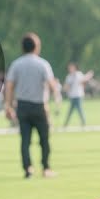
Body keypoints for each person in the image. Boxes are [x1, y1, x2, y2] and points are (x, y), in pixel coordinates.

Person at [4, 32, 61, 178]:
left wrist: (8, 106)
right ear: (36, 47)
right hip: (39, 106)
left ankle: (28, 168)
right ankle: (46, 168)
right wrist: (55, 99)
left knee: (25, 140)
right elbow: (51, 85)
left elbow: (9, 86)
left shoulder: (16, 64)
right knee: (44, 139)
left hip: (22, 106)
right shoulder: (42, 64)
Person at [63, 63, 93, 128]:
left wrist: (89, 75)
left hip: (78, 95)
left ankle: (83, 123)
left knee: (79, 110)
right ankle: (66, 124)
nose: (70, 69)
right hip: (72, 96)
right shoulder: (69, 76)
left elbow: (84, 80)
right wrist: (65, 89)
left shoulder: (79, 74)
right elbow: (66, 86)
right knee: (70, 111)